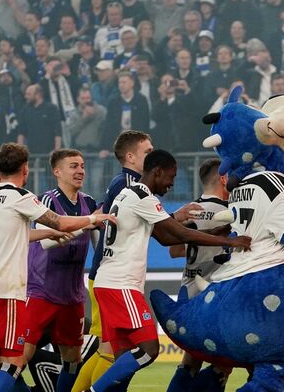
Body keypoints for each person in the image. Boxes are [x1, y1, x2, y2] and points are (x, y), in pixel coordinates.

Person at [0, 143, 117, 392]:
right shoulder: (23, 197)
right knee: (13, 361)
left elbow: (14, 235)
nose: (80, 170)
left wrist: (49, 232)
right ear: (25, 170)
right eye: (74, 166)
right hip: (10, 291)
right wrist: (94, 218)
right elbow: (59, 221)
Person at [90, 150, 251, 392]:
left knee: (124, 356)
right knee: (149, 350)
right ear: (157, 171)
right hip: (120, 284)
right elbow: (180, 234)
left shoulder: (127, 193)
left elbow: (166, 239)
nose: (173, 183)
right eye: (171, 176)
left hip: (108, 282)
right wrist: (230, 242)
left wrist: (216, 234)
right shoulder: (143, 197)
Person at [72, 131, 199, 391]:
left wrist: (173, 216)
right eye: (147, 152)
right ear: (130, 157)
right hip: (113, 277)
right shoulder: (127, 185)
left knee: (113, 351)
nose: (153, 156)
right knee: (108, 352)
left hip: (108, 274)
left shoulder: (127, 183)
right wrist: (175, 218)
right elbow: (138, 227)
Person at [22, 149, 100, 392]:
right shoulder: (45, 201)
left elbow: (99, 246)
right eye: (73, 166)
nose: (80, 171)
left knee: (73, 360)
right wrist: (88, 222)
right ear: (57, 171)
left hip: (71, 296)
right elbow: (45, 241)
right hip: (40, 292)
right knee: (19, 356)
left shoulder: (89, 203)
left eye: (82, 166)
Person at [166, 158, 231, 391]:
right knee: (224, 364)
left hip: (188, 291)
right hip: (214, 296)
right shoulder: (229, 213)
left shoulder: (190, 210)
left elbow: (174, 251)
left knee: (191, 360)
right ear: (224, 179)